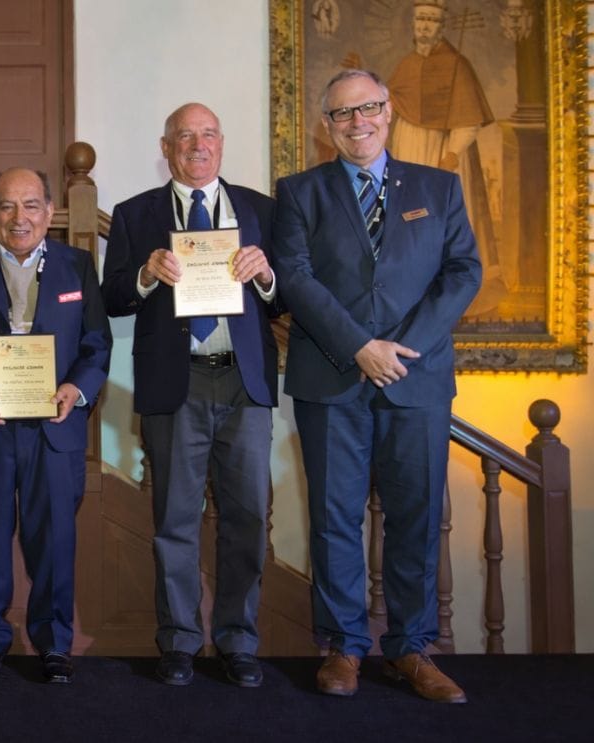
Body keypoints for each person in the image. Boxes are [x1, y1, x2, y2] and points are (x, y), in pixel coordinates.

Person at [272, 69, 481, 703]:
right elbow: (294, 277)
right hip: (331, 377)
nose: (356, 122)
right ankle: (343, 648)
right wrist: (360, 347)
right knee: (334, 520)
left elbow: (463, 271)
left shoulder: (439, 188)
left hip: (416, 380)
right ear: (326, 126)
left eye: (367, 108)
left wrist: (402, 348)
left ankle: (412, 649)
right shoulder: (299, 192)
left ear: (389, 112)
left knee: (416, 519)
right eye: (342, 113)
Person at [101, 103, 281, 688]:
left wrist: (266, 275)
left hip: (244, 381)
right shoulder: (135, 214)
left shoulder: (261, 210)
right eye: (185, 136)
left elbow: (285, 298)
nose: (197, 145)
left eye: (207, 135)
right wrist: (146, 274)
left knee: (247, 518)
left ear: (221, 143)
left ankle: (237, 640)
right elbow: (112, 298)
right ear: (166, 147)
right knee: (174, 519)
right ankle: (179, 640)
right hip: (176, 382)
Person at [0, 168, 111, 684]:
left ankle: (54, 644)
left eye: (31, 205)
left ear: (50, 212)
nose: (19, 217)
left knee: (54, 539)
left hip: (53, 426)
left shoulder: (77, 265)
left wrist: (76, 388)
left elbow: (97, 343)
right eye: (6, 206)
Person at [387, 0, 505, 314]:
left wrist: (452, 154)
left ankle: (453, 288)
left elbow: (468, 120)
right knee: (409, 216)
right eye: (420, 20)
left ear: (441, 26)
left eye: (431, 20)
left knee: (445, 218)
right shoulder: (406, 64)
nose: (424, 26)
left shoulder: (457, 65)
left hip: (444, 151)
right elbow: (391, 106)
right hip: (409, 149)